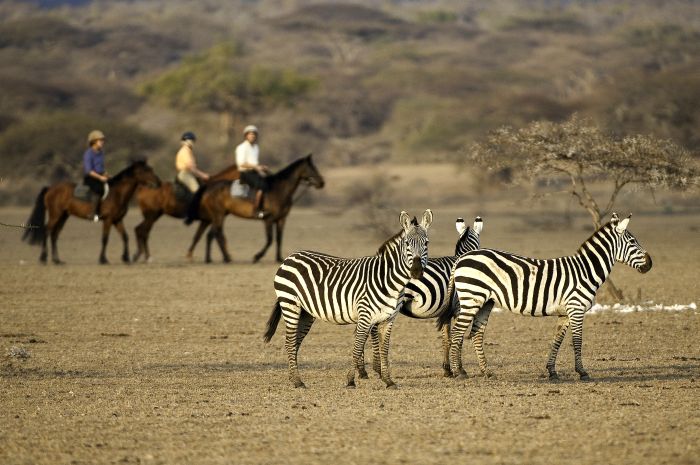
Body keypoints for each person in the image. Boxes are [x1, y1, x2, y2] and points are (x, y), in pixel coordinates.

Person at [235, 125, 269, 218]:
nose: (252, 136)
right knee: (262, 186)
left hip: (254, 172)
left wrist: (261, 168)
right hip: (245, 173)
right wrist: (256, 167)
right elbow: (241, 164)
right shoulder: (241, 147)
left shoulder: (256, 147)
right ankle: (257, 210)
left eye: (254, 134)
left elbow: (255, 163)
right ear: (246, 135)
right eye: (250, 134)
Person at [83, 130, 109, 222]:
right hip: (91, 177)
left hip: (100, 176)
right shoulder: (88, 153)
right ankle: (92, 213)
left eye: (103, 140)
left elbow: (101, 167)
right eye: (100, 140)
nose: (102, 142)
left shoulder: (101, 152)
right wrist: (100, 177)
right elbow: (89, 170)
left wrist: (105, 174)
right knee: (97, 189)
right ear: (94, 141)